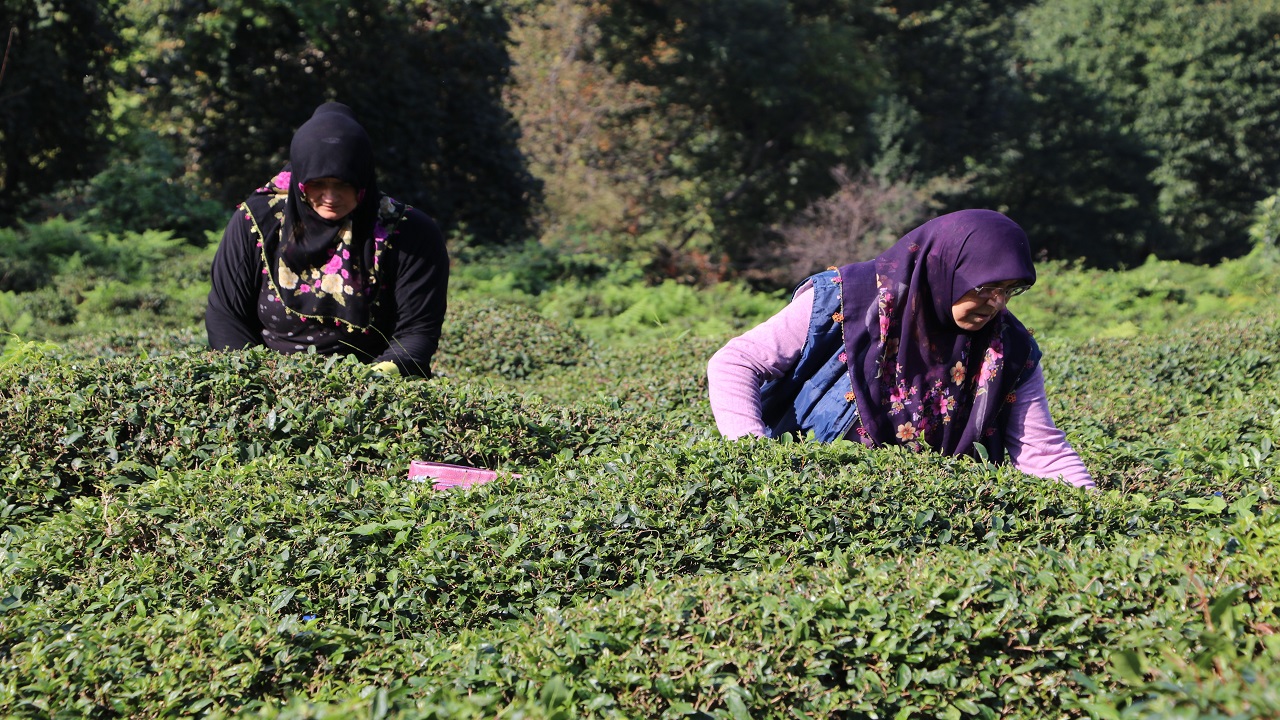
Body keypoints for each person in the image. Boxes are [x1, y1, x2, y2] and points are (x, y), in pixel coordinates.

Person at [707, 209, 1095, 489]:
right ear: (946, 268)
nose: (997, 303)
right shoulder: (846, 297)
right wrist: (755, 459)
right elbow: (736, 362)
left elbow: (1042, 451)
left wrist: (1099, 514)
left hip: (931, 520)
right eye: (984, 287)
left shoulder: (1010, 347)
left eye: (1009, 290)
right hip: (813, 494)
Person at [206, 102, 449, 377]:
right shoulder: (258, 222)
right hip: (268, 387)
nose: (330, 197)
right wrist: (258, 385)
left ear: (363, 180)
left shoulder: (409, 232)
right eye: (318, 184)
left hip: (375, 392)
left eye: (344, 184)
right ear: (300, 180)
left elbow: (417, 331)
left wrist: (365, 389)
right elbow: (226, 315)